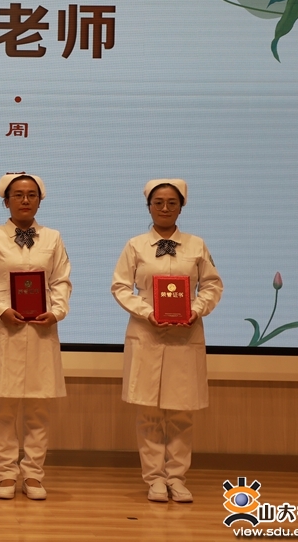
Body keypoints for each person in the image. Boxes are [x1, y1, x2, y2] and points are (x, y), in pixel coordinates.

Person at [111, 179, 222, 503]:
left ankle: (177, 477)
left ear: (181, 207)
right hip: (146, 333)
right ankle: (155, 479)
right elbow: (120, 287)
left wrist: (195, 310)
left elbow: (212, 285)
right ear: (148, 207)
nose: (164, 208)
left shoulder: (197, 245)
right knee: (148, 412)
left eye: (172, 203)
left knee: (181, 413)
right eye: (158, 202)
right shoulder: (135, 245)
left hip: (185, 336)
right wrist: (147, 312)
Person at [0, 173, 72, 501]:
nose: (25, 200)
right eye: (18, 195)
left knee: (38, 410)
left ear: (40, 201)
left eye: (31, 195)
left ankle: (33, 475)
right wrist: (1, 309)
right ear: (6, 201)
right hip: (4, 329)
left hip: (41, 330)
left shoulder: (53, 238)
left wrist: (57, 311)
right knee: (4, 408)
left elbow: (61, 281)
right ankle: (5, 473)